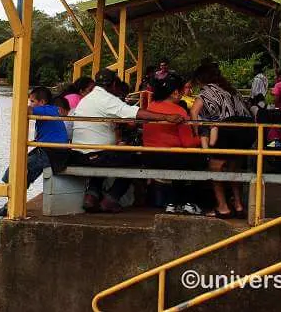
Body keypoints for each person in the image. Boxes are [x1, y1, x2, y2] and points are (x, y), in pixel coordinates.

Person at [70, 69, 184, 213]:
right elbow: (136, 113)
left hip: (79, 153)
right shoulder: (106, 99)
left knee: (107, 156)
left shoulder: (88, 98)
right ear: (113, 84)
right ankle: (111, 199)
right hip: (97, 155)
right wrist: (166, 117)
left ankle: (91, 196)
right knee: (135, 160)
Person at [190, 62, 254, 218]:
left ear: (200, 80)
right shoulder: (231, 89)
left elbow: (193, 112)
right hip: (247, 130)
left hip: (227, 129)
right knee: (233, 169)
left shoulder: (206, 90)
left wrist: (196, 132)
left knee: (215, 167)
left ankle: (223, 206)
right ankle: (238, 205)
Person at [0, 87, 69, 217]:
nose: (30, 104)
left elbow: (27, 110)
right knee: (21, 172)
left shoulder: (48, 110)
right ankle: (12, 203)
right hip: (48, 150)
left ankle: (12, 204)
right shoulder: (49, 111)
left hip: (51, 152)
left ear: (42, 102)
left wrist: (20, 103)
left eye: (32, 101)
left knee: (17, 171)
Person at [143, 73, 205, 215]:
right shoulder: (179, 111)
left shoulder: (151, 106)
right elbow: (188, 143)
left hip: (149, 157)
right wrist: (201, 138)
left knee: (182, 160)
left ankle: (172, 202)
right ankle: (188, 202)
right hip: (171, 157)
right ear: (176, 92)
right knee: (197, 160)